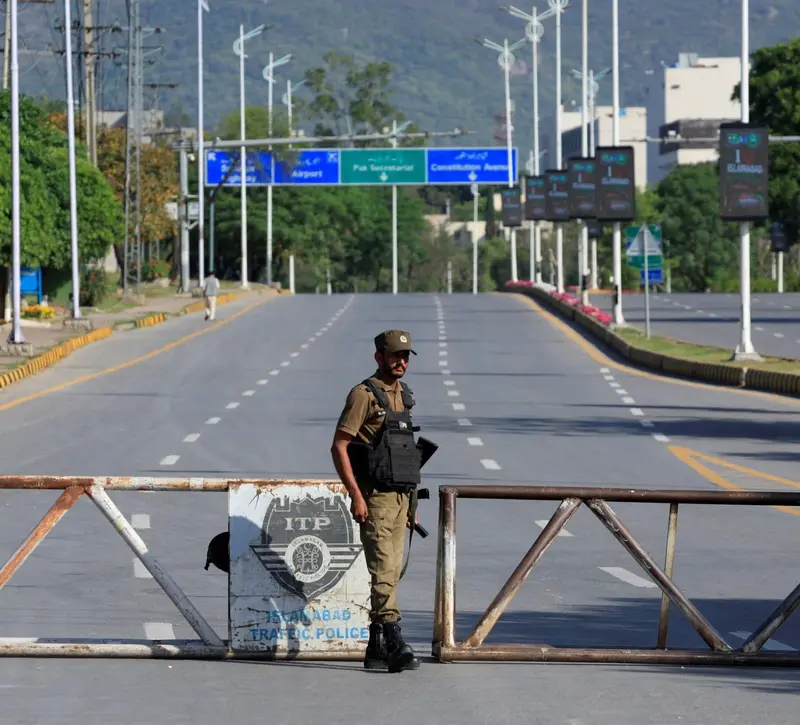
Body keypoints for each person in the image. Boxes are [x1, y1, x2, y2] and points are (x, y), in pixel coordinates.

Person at [330, 330, 422, 673]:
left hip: (401, 498)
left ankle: (376, 646)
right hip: (376, 498)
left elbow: (405, 453)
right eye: (394, 354)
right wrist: (356, 494)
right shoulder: (363, 395)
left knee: (392, 572)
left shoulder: (405, 395)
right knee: (383, 570)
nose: (401, 361)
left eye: (406, 356)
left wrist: (412, 505)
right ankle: (394, 639)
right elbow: (340, 446)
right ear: (378, 356)